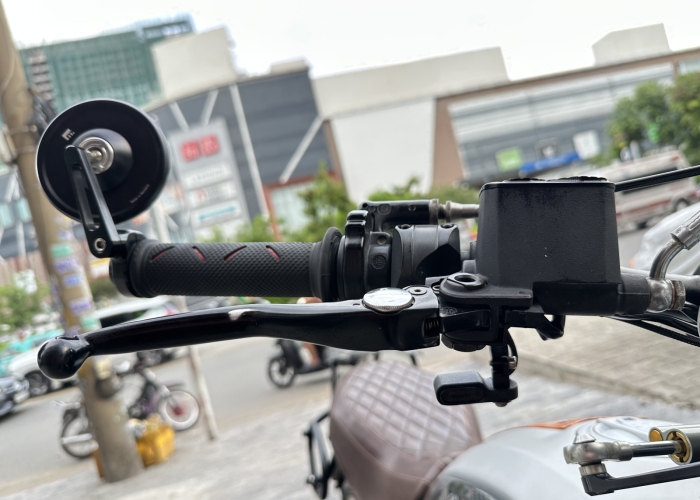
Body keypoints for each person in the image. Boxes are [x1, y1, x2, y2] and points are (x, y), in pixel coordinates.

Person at [297, 297, 322, 367]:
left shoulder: (313, 298)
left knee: (306, 340)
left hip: (320, 327)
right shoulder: (309, 299)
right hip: (316, 325)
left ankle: (315, 359)